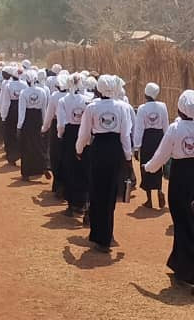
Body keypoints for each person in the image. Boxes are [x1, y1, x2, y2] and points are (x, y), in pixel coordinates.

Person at [143, 89, 194, 293]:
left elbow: (161, 155)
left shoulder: (175, 129)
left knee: (181, 222)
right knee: (192, 219)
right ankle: (181, 267)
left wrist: (148, 167)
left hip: (179, 175)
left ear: (180, 108)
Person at [76, 75, 133, 252]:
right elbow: (125, 135)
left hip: (98, 149)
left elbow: (84, 133)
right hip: (115, 150)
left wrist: (79, 149)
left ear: (99, 89)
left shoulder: (92, 107)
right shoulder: (121, 107)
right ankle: (108, 234)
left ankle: (98, 233)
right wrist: (128, 158)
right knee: (110, 192)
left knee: (96, 190)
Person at [58, 73, 89, 217]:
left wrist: (60, 136)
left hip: (70, 134)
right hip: (83, 134)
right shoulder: (86, 101)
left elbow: (61, 123)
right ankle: (82, 203)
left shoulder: (63, 100)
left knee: (69, 168)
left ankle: (71, 205)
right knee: (82, 169)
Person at [134, 82, 169, 209]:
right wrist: (168, 142)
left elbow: (139, 128)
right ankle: (159, 190)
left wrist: (137, 147)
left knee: (146, 166)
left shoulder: (142, 108)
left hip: (147, 139)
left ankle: (149, 199)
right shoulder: (162, 106)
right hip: (159, 138)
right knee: (158, 165)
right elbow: (166, 124)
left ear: (145, 94)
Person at [17, 70, 50, 181]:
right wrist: (45, 124)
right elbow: (44, 110)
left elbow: (21, 111)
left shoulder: (24, 93)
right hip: (38, 119)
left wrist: (19, 126)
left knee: (26, 146)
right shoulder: (42, 91)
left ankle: (26, 173)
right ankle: (43, 166)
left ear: (26, 80)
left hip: (27, 120)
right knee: (39, 144)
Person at [42, 72, 68, 197]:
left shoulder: (55, 96)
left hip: (56, 126)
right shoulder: (73, 96)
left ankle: (58, 185)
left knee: (56, 156)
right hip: (71, 128)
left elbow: (49, 113)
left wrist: (44, 128)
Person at [0, 67, 27, 165]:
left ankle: (12, 156)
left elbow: (6, 102)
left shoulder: (8, 85)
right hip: (22, 108)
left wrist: (3, 116)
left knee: (10, 133)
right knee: (20, 132)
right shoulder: (24, 85)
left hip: (12, 109)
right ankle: (20, 153)